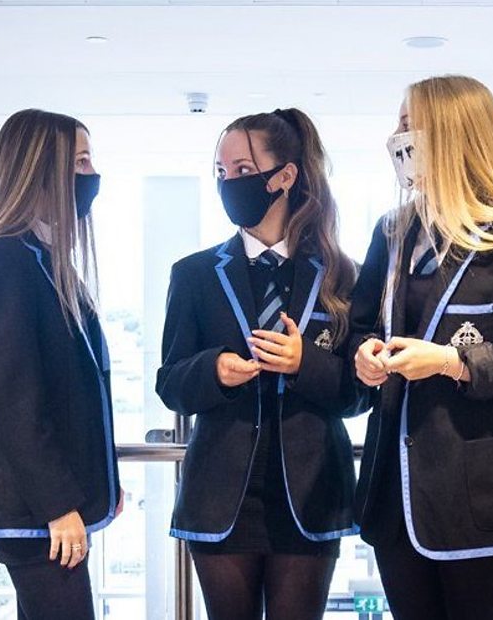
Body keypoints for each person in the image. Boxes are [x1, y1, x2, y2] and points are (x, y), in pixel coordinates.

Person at [350, 75, 493, 620]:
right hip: (394, 492)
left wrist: (451, 362)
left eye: (409, 126)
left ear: (451, 134)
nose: (397, 139)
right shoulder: (393, 233)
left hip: (477, 494)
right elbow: (360, 327)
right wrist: (363, 355)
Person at [156, 108, 364, 620]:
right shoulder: (195, 274)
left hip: (311, 495)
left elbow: (361, 392)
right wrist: (214, 371)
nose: (228, 183)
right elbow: (171, 383)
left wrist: (303, 363)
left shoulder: (342, 274)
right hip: (220, 496)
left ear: (285, 176)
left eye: (243, 170)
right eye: (221, 172)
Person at [0, 109, 123, 620]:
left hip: (45, 508)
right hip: (34, 511)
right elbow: (11, 399)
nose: (92, 174)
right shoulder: (6, 261)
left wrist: (102, 482)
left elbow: (72, 390)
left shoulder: (40, 258)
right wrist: (58, 504)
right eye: (81, 162)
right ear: (40, 168)